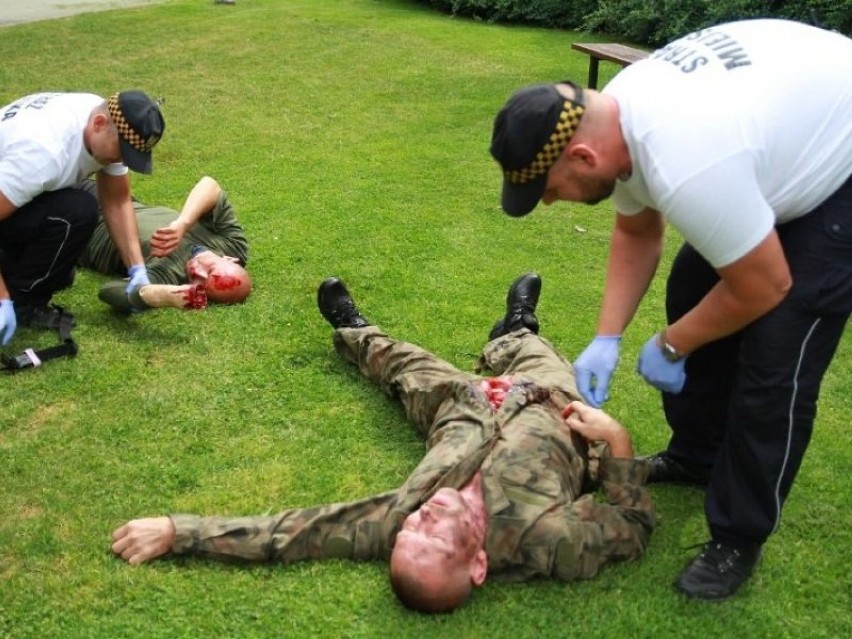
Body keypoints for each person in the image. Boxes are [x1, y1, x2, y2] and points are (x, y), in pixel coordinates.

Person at [488, 19, 852, 601]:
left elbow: (764, 287)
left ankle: (738, 534)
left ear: (581, 154)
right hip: (776, 134)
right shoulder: (620, 116)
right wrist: (607, 335)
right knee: (692, 287)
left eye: (549, 189)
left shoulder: (688, 158)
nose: (552, 202)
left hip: (841, 162)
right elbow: (637, 232)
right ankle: (697, 454)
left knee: (776, 357)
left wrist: (672, 344)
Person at [111, 274, 654, 613]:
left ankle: (353, 329)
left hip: (458, 405)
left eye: (412, 531)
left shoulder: (400, 517)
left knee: (399, 362)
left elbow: (291, 533)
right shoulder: (547, 541)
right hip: (555, 403)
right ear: (479, 566)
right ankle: (515, 326)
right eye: (435, 539)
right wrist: (619, 442)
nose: (425, 518)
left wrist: (176, 531)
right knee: (534, 350)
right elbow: (631, 526)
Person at [0, 90, 165, 344]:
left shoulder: (100, 116)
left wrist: (137, 267)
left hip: (14, 194)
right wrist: (2, 299)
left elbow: (117, 199)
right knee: (76, 211)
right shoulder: (41, 155)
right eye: (122, 150)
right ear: (98, 124)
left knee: (74, 222)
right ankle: (22, 303)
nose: (122, 161)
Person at [77, 175, 251, 312]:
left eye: (201, 282)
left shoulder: (169, 277)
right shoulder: (233, 245)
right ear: (230, 259)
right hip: (118, 202)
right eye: (210, 270)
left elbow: (109, 292)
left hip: (81, 226)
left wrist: (166, 295)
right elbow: (209, 185)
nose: (196, 271)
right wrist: (182, 224)